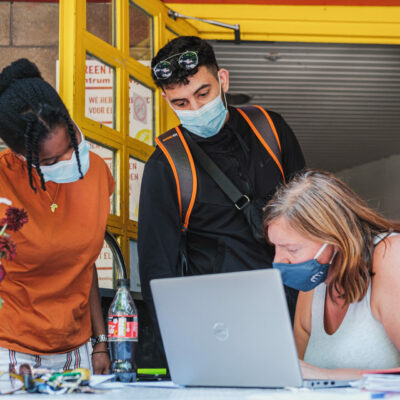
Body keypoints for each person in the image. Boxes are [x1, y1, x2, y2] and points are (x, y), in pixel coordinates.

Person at [138, 36, 305, 358]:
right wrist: (174, 348)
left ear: (222, 80)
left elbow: (312, 217)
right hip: (221, 320)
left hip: (294, 304)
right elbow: (158, 267)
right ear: (165, 100)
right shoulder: (166, 164)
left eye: (203, 93)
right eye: (181, 103)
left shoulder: (270, 127)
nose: (197, 109)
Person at [0, 59, 114, 374]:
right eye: (50, 160)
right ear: (23, 157)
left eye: (72, 146)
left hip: (76, 351)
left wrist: (99, 341)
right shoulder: (3, 180)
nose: (69, 162)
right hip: (11, 351)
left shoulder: (97, 174)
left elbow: (83, 264)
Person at [264, 169, 400, 380]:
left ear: (334, 239)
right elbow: (299, 377)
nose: (278, 261)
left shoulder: (389, 255)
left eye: (292, 249)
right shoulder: (315, 281)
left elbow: (313, 373)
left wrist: (326, 375)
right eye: (275, 247)